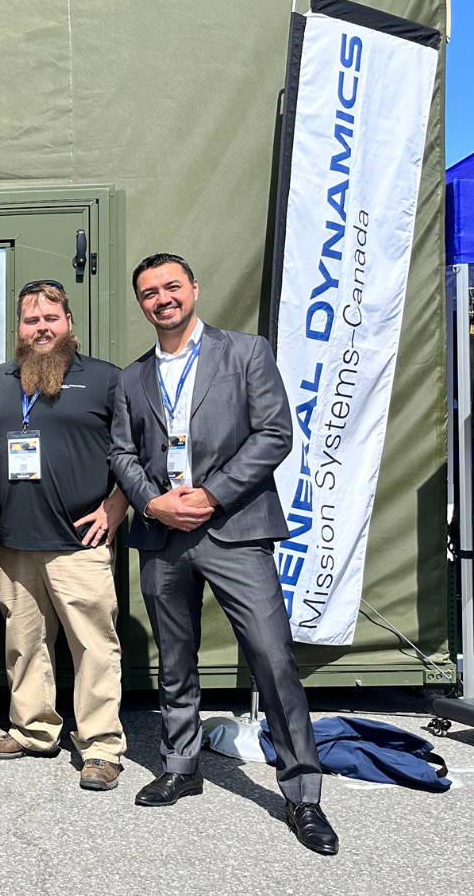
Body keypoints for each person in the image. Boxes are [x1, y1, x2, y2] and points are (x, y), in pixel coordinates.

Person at [109, 253, 338, 855]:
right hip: (163, 535)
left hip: (234, 527)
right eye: (150, 292)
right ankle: (181, 766)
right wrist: (155, 505)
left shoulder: (246, 353)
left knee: (271, 656)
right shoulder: (132, 378)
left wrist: (210, 495)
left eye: (171, 287)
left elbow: (274, 432)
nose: (162, 298)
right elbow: (121, 454)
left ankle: (303, 795)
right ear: (141, 304)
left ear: (193, 288)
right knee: (176, 657)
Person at [0, 280, 128, 791]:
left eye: (50, 319)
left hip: (79, 544)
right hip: (13, 543)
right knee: (24, 644)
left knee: (94, 647)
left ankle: (101, 747)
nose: (41, 329)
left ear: (69, 324)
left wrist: (115, 506)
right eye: (30, 321)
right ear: (17, 329)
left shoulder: (106, 380)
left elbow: (139, 454)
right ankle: (34, 730)